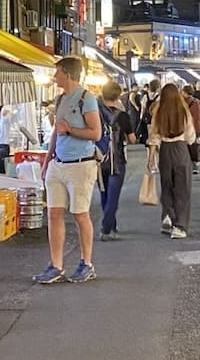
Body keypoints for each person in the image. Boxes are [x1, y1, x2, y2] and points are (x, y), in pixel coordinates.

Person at [33, 56, 101, 284]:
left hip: (81, 164)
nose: (54, 77)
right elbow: (55, 132)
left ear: (68, 74)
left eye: (57, 73)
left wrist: (70, 130)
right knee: (53, 213)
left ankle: (86, 262)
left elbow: (96, 133)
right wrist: (47, 160)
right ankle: (56, 265)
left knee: (80, 214)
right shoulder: (61, 99)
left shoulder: (86, 98)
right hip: (58, 164)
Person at [147, 83, 196, 240]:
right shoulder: (183, 111)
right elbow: (190, 137)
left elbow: (154, 136)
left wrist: (150, 159)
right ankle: (180, 226)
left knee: (166, 185)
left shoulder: (158, 111)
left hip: (165, 151)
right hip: (181, 150)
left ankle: (168, 215)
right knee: (182, 188)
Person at [98, 82, 135, 241]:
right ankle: (106, 229)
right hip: (117, 161)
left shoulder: (96, 114)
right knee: (113, 197)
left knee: (104, 194)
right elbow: (132, 139)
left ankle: (111, 226)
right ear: (118, 96)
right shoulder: (123, 116)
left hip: (98, 160)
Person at [0, 105, 34, 176]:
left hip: (2, 146)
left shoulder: (5, 119)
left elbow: (10, 115)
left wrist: (4, 113)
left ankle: (1, 174)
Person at [182, 85, 200, 174]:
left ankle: (188, 166)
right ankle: (195, 166)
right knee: (195, 147)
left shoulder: (182, 102)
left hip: (186, 128)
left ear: (184, 92)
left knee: (186, 147)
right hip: (197, 127)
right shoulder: (197, 101)